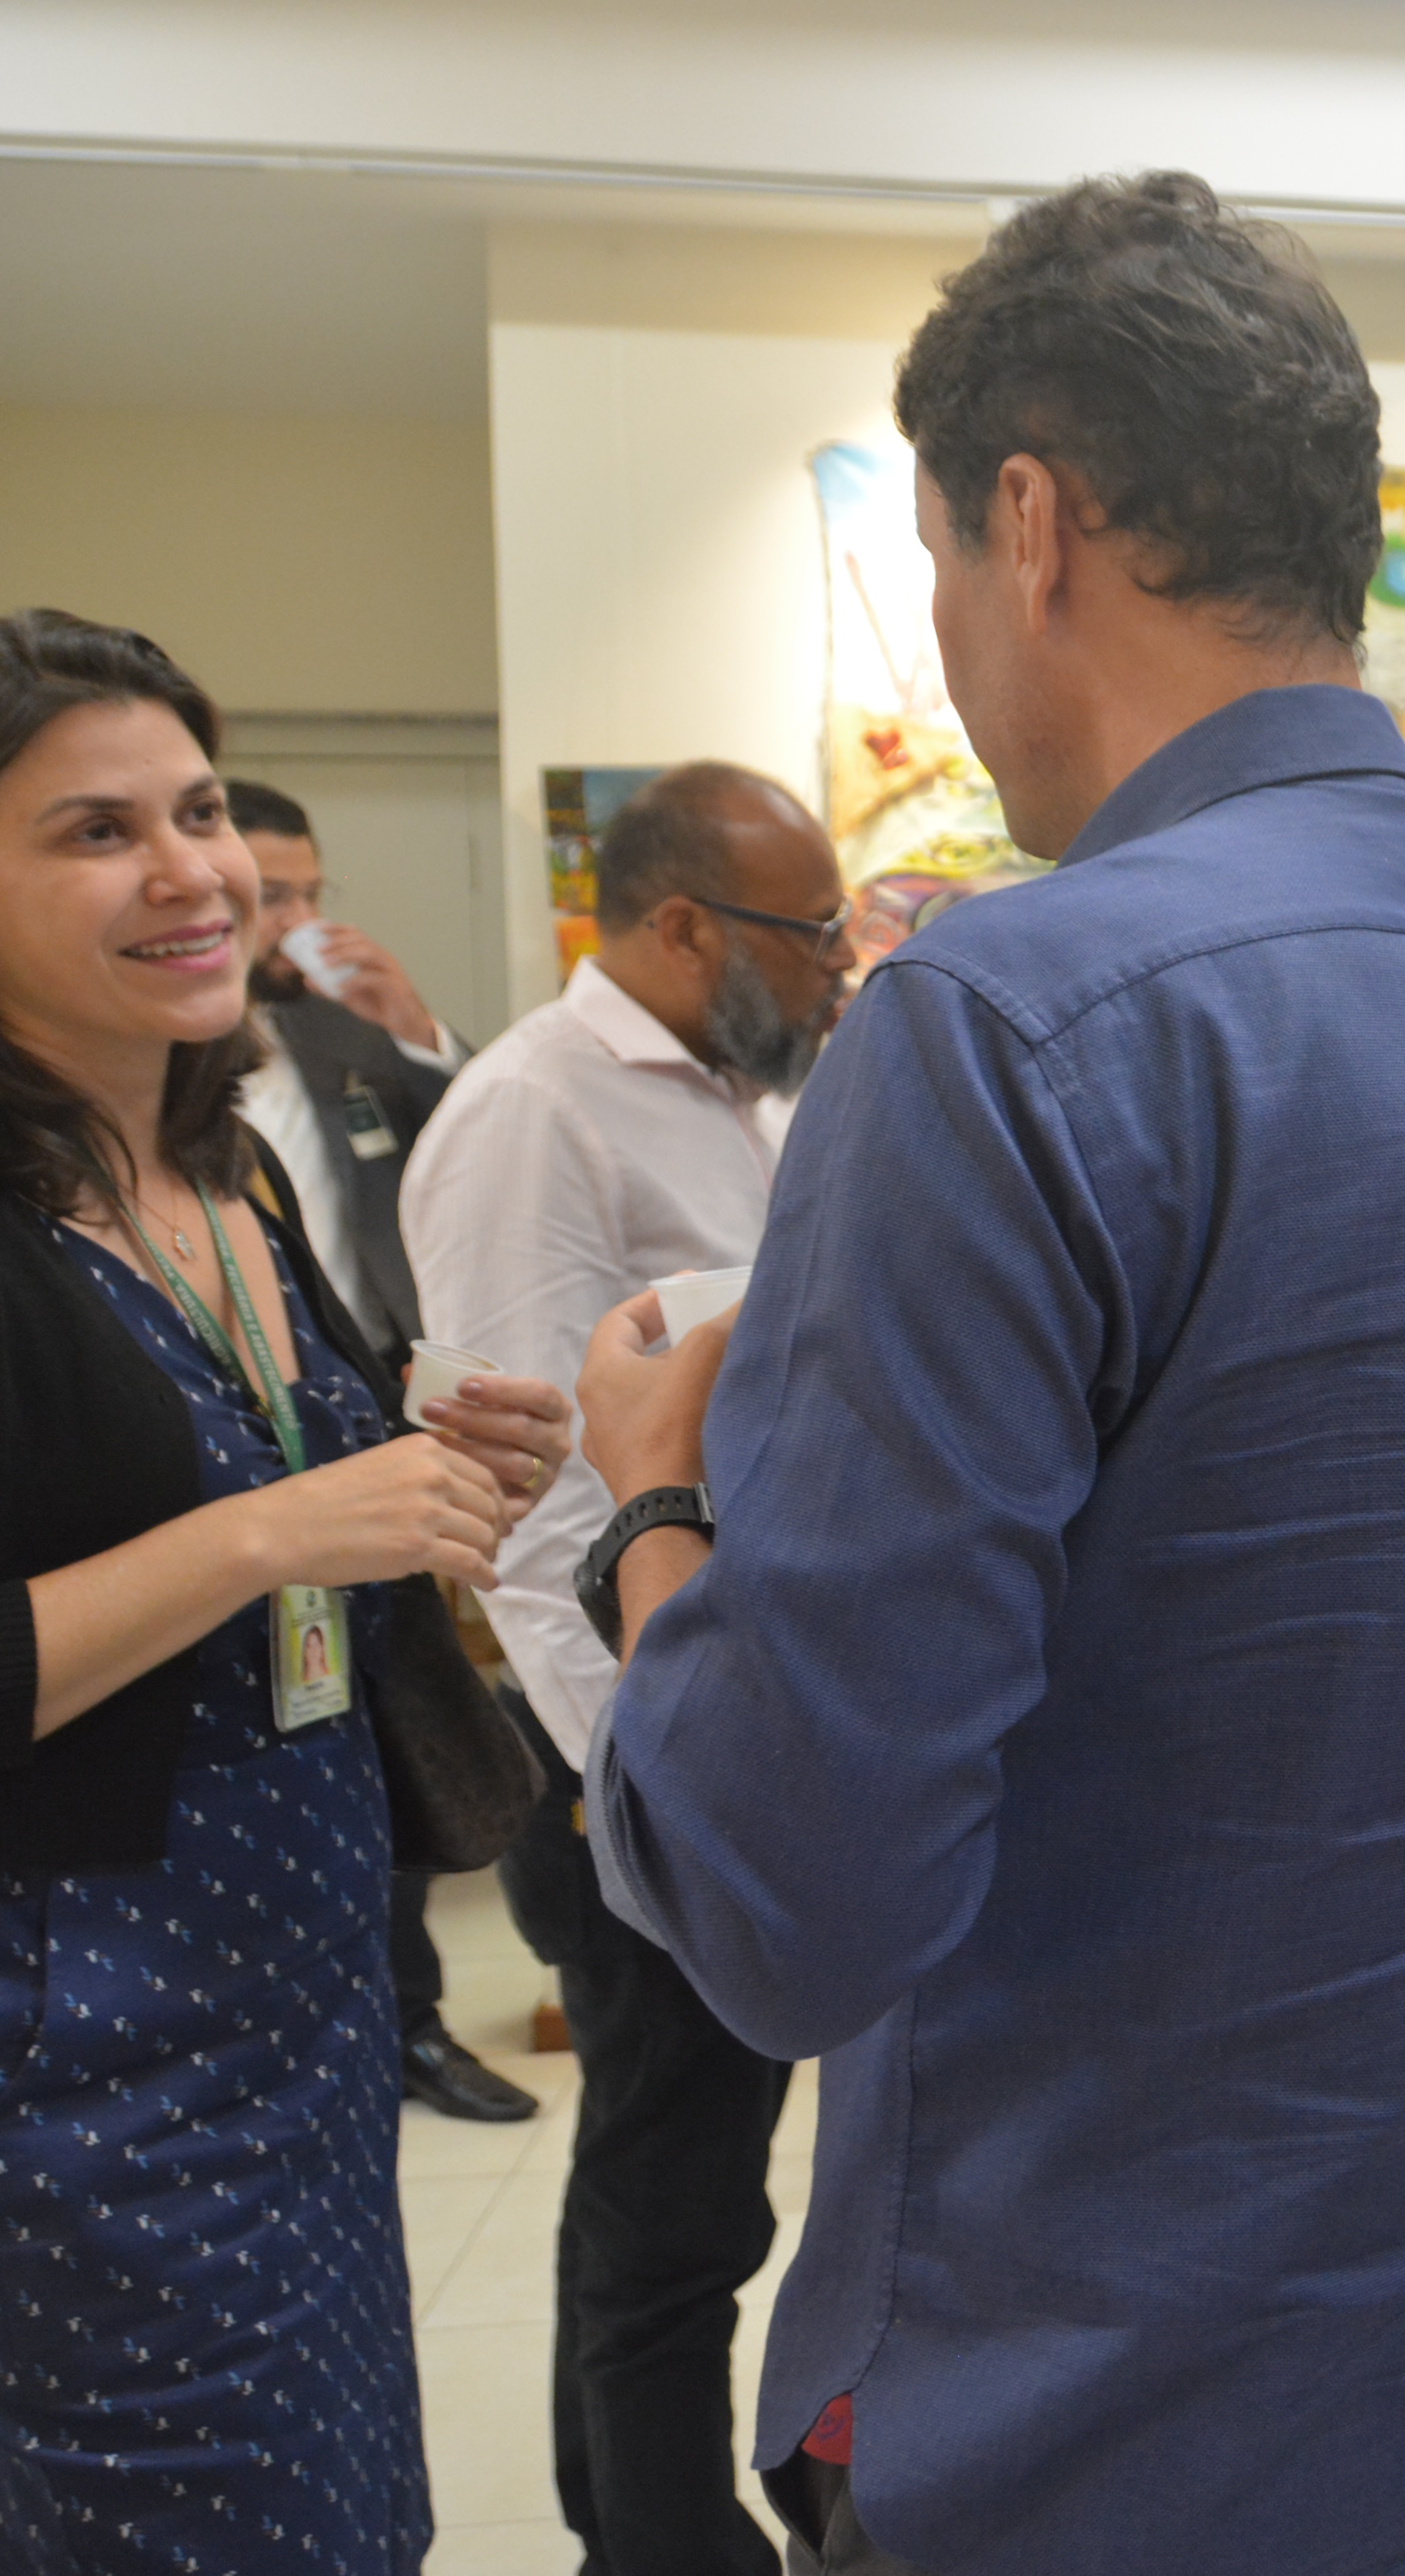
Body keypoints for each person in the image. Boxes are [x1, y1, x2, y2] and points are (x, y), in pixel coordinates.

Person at [564, 173, 1405, 2575]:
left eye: (940, 569)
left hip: (1094, 2413)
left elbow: (787, 1905)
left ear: (1032, 523)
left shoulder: (1000, 1028)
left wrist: (661, 1508)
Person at [0, 609, 569, 2573]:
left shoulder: (219, 1161)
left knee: (358, 2527)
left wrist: (434, 1449)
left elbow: (248, 1461)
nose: (193, 872)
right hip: (65, 2067)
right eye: (97, 832)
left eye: (199, 811)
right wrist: (276, 1531)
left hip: (300, 2023)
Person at [400, 760, 851, 2576]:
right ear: (680, 926)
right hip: (625, 1746)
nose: (836, 964)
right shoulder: (534, 1114)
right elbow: (526, 1506)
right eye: (809, 932)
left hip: (719, 1704)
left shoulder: (737, 1094)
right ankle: (657, 2542)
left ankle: (648, 2519)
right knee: (674, 2198)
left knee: (691, 2176)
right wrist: (641, 1772)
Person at [231, 775, 539, 2124]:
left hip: (360, 1422)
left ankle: (404, 2023)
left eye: (306, 892)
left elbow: (472, 1134)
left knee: (383, 1711)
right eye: (269, 893)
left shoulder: (334, 1038)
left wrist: (417, 1027)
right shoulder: (138, 1074)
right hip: (217, 1449)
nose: (287, 919)